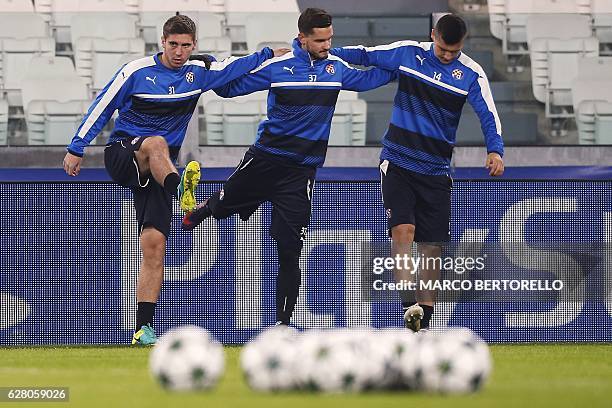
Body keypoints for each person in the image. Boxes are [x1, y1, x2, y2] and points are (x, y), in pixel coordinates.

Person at [62, 14, 288, 345]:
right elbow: (103, 106)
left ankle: (143, 329)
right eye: (173, 45)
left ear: (193, 46)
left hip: (160, 168)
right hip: (125, 155)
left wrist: (269, 55)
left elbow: (235, 69)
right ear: (162, 43)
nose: (179, 52)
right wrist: (77, 147)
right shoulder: (137, 72)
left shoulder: (198, 73)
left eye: (185, 46)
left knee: (154, 246)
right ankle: (180, 188)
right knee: (155, 142)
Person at [182, 8, 396, 326]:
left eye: (330, 39)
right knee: (223, 205)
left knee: (290, 249)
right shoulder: (279, 67)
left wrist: (403, 67)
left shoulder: (335, 68)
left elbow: (369, 79)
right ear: (302, 38)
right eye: (320, 40)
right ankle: (203, 209)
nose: (326, 45)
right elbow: (228, 89)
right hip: (264, 161)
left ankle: (283, 324)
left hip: (300, 174)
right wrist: (209, 66)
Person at [330, 14, 505, 332]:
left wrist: (495, 150)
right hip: (397, 162)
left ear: (462, 45)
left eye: (454, 51)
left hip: (436, 170)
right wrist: (326, 54)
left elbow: (487, 113)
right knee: (403, 232)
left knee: (431, 246)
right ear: (432, 36)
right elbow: (366, 54)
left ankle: (422, 320)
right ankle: (407, 302)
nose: (448, 55)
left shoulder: (470, 74)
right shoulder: (408, 54)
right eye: (443, 48)